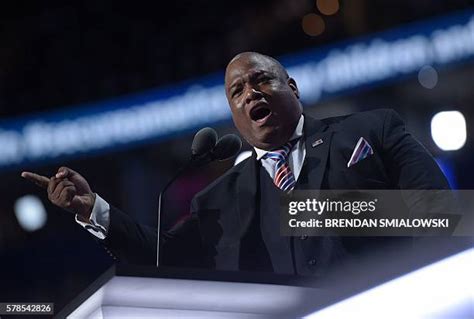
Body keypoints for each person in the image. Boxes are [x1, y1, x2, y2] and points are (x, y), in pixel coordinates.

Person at [21, 52, 450, 276]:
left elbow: (442, 213)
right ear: (233, 116)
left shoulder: (371, 129)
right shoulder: (219, 199)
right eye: (237, 91)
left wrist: (314, 210)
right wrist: (91, 208)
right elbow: (162, 258)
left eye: (262, 79)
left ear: (293, 87)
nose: (250, 93)